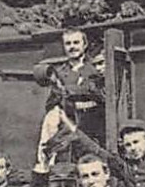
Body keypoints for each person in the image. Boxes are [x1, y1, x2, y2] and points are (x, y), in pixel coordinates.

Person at [35, 28, 105, 160]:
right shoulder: (60, 73)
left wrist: (71, 92)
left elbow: (101, 95)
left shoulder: (96, 68)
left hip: (93, 130)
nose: (72, 47)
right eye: (68, 44)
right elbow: (52, 103)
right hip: (67, 132)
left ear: (84, 45)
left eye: (76, 43)